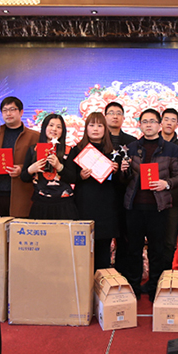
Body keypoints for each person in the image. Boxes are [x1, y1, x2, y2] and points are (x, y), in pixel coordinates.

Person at [120, 109, 178, 300]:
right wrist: (123, 171)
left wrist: (167, 183)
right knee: (134, 249)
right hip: (134, 207)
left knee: (157, 250)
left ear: (159, 125)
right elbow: (123, 181)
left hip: (158, 207)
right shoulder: (130, 148)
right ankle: (134, 286)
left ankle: (155, 286)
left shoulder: (171, 149)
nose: (149, 125)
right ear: (139, 125)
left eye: (152, 121)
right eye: (145, 121)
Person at [66, 112, 120, 270]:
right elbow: (68, 176)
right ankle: (83, 283)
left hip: (107, 206)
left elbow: (121, 182)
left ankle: (102, 281)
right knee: (83, 250)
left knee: (103, 250)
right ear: (86, 128)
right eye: (92, 125)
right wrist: (80, 176)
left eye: (99, 125)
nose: (95, 129)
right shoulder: (77, 150)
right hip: (84, 204)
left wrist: (117, 172)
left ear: (105, 129)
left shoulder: (113, 151)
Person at [0, 96, 39, 217]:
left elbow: (39, 162)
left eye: (12, 109)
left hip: (22, 194)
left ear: (21, 112)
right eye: (4, 110)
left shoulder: (34, 136)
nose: (8, 113)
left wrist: (21, 168)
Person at [21, 113, 78, 220]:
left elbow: (73, 178)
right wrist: (31, 170)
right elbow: (24, 177)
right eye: (51, 125)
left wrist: (59, 167)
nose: (54, 129)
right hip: (40, 203)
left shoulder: (69, 150)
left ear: (63, 131)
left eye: (58, 127)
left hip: (64, 204)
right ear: (44, 128)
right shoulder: (33, 149)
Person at [104, 102, 137, 277]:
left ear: (123, 118)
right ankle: (103, 276)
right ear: (105, 117)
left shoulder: (132, 142)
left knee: (125, 237)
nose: (115, 116)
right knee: (104, 238)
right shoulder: (98, 140)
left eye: (118, 113)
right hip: (103, 195)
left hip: (125, 196)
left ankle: (122, 276)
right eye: (111, 113)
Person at [159, 108, 178, 270]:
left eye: (173, 120)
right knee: (154, 240)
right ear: (161, 122)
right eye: (166, 119)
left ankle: (166, 275)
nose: (169, 123)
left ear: (177, 124)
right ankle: (154, 277)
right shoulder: (150, 143)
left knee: (170, 241)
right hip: (152, 200)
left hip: (173, 200)